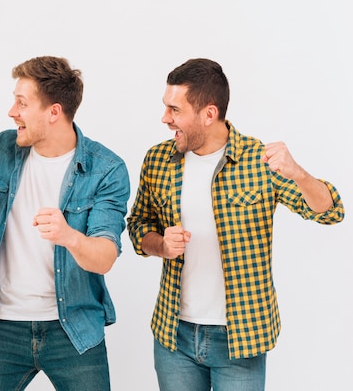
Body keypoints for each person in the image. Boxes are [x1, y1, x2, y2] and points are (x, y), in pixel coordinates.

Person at [127, 58, 345, 390]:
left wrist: (298, 173)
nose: (165, 118)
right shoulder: (158, 159)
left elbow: (330, 212)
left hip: (240, 339)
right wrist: (160, 244)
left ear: (209, 114)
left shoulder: (260, 161)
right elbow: (138, 224)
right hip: (175, 336)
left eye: (175, 110)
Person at [0, 56, 130, 390]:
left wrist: (68, 236)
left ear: (53, 112)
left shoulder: (105, 169)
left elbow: (105, 256)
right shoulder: (2, 148)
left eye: (22, 103)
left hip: (73, 326)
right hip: (2, 326)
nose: (11, 112)